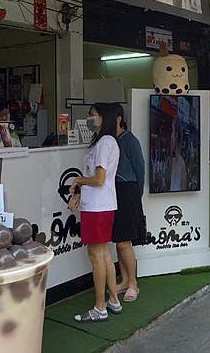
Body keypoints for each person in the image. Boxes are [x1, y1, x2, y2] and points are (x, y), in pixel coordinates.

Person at [70, 103, 122, 323]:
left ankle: (100, 307)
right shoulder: (107, 142)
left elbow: (99, 179)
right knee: (105, 255)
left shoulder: (104, 143)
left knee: (96, 257)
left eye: (93, 115)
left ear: (104, 117)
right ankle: (113, 300)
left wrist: (79, 181)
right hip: (103, 205)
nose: (90, 119)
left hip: (97, 208)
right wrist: (81, 193)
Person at [112, 103, 146, 303]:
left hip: (128, 191)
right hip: (114, 192)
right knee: (119, 240)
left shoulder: (129, 140)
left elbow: (140, 168)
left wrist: (137, 194)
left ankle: (133, 283)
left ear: (117, 118)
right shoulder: (110, 140)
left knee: (124, 242)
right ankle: (124, 280)